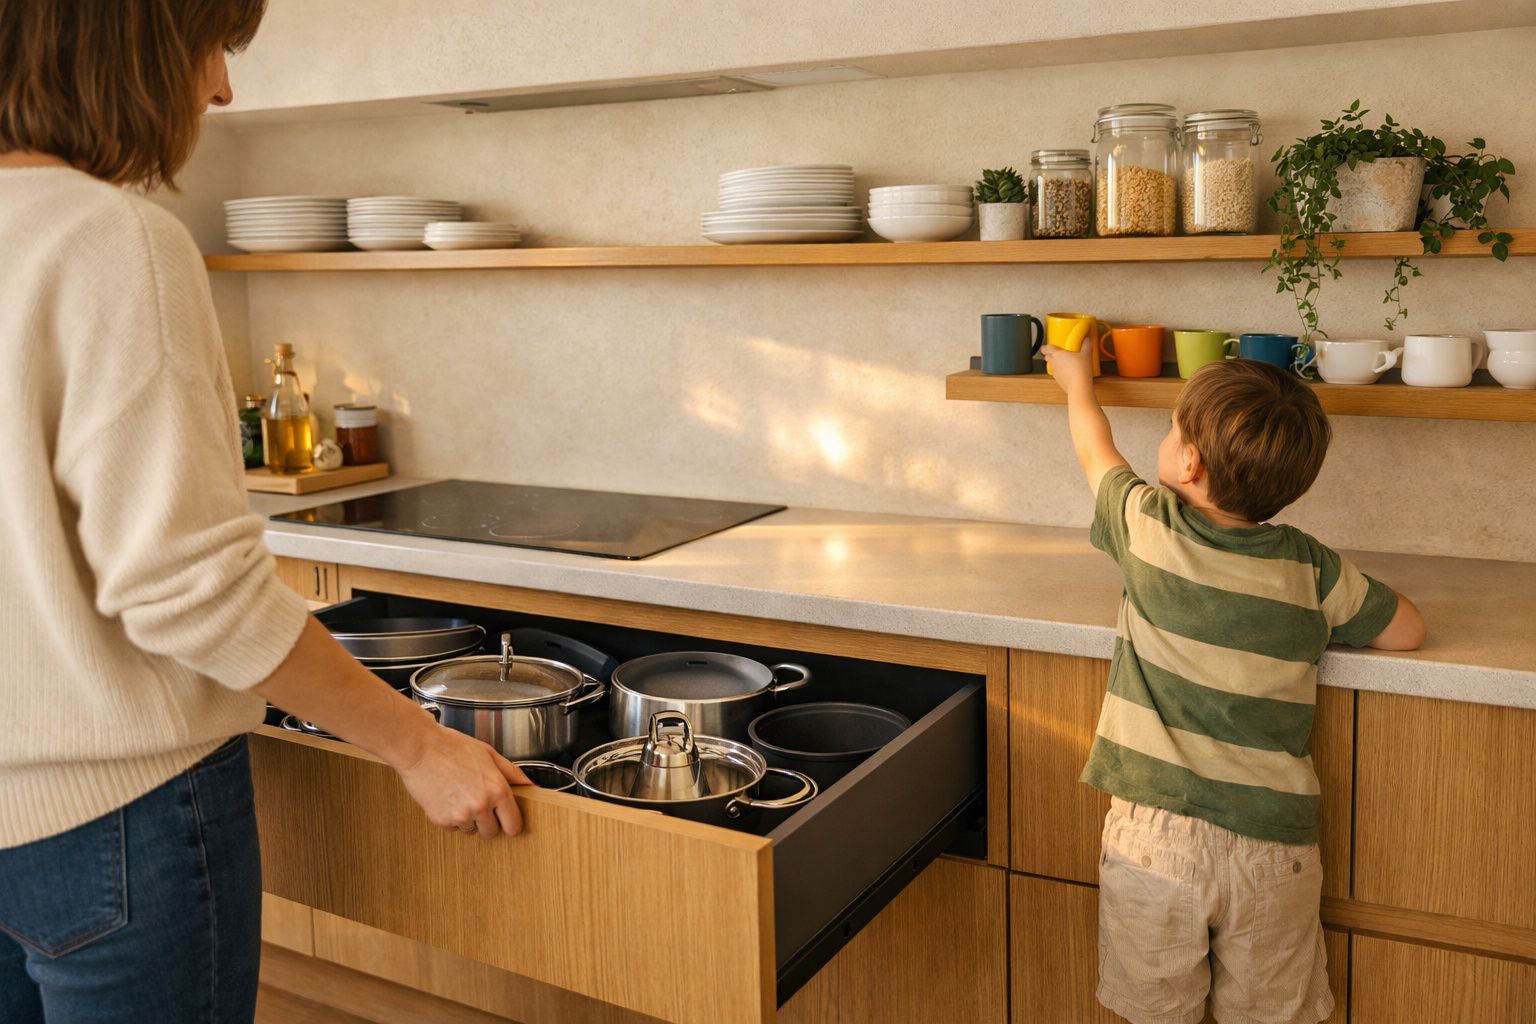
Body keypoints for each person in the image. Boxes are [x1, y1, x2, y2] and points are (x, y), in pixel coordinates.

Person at [0, 3, 529, 1021]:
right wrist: (420, 744)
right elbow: (188, 591)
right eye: (212, 48)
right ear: (129, 43)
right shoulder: (113, 239)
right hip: (116, 820)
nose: (222, 89)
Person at [1041, 341, 1425, 1024]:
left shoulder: (1146, 528)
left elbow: (1095, 451)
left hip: (1155, 838)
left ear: (1188, 462)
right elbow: (1406, 631)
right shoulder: (1309, 567)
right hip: (1275, 850)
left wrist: (1075, 381)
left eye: (1171, 427)